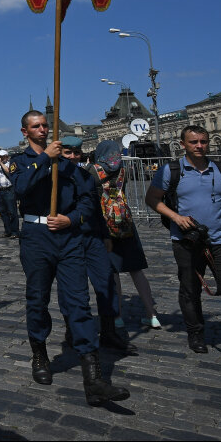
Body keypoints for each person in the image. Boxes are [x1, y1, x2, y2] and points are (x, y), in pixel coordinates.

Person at [12, 110, 129, 405]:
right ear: (25, 132)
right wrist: (44, 159)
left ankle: (94, 379)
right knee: (37, 300)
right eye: (36, 127)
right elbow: (21, 188)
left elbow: (88, 199)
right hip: (37, 238)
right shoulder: (21, 162)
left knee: (78, 303)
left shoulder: (69, 166)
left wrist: (71, 219)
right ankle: (39, 353)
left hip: (68, 239)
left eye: (45, 126)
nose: (42, 130)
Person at [146, 125, 221, 369]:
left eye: (203, 141)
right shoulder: (172, 170)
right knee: (190, 289)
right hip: (187, 241)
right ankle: (195, 332)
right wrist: (175, 217)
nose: (199, 146)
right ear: (183, 144)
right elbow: (151, 199)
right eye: (194, 142)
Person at [60, 137, 133, 354]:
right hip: (68, 238)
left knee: (105, 283)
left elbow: (95, 208)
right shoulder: (54, 178)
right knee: (73, 289)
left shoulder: (86, 176)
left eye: (76, 152)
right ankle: (72, 331)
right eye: (67, 153)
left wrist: (105, 235)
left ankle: (109, 332)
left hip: (93, 237)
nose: (73, 156)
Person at [90, 140, 161, 331]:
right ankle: (152, 314)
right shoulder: (123, 169)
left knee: (113, 272)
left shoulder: (94, 171)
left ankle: (118, 316)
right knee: (137, 271)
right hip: (126, 223)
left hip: (105, 225)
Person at [0, 150, 20, 238]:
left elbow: (9, 172)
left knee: (12, 211)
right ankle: (7, 230)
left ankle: (15, 232)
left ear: (6, 156)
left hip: (9, 190)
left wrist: (1, 163)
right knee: (3, 212)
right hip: (0, 190)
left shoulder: (10, 164)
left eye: (1, 156)